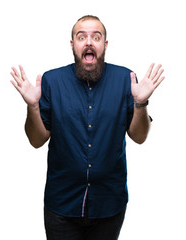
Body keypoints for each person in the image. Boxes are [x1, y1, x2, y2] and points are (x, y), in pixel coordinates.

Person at [10, 15, 164, 240]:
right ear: (73, 44)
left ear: (105, 45)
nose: (89, 42)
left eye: (96, 37)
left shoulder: (126, 79)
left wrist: (140, 103)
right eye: (81, 37)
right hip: (62, 204)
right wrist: (33, 107)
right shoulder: (52, 81)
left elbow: (139, 137)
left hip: (109, 204)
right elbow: (36, 140)